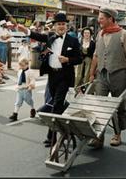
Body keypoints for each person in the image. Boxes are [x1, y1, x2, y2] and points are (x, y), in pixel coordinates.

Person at [17, 12, 82, 147]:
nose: (61, 26)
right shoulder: (50, 37)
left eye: (63, 24)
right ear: (54, 26)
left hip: (65, 76)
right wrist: (26, 30)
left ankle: (51, 137)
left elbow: (79, 58)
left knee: (57, 104)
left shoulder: (73, 40)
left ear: (66, 26)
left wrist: (68, 59)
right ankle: (67, 123)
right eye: (59, 24)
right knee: (54, 104)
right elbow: (37, 36)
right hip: (52, 76)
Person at [88, 7, 126, 148]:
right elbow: (96, 55)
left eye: (101, 18)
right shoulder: (100, 34)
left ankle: (117, 134)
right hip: (102, 75)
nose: (99, 20)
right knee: (99, 106)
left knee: (119, 106)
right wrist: (91, 73)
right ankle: (99, 137)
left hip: (118, 75)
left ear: (110, 19)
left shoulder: (123, 34)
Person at [8, 57, 36, 122]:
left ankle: (32, 109)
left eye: (23, 65)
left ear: (27, 64)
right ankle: (15, 114)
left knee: (29, 101)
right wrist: (17, 86)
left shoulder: (30, 72)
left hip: (27, 89)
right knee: (18, 102)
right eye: (20, 65)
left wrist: (31, 85)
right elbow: (18, 79)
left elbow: (32, 80)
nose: (21, 67)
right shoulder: (20, 71)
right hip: (20, 89)